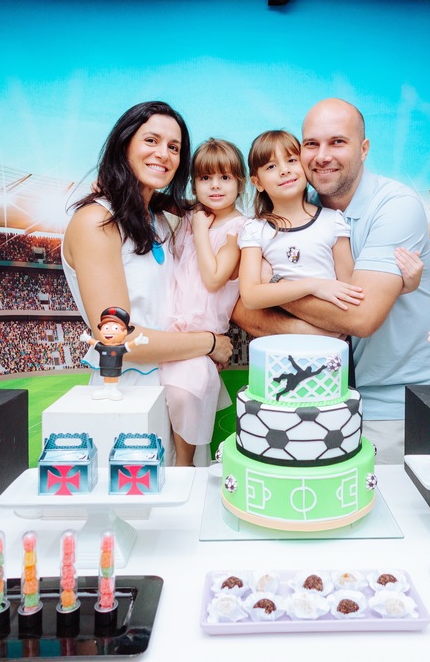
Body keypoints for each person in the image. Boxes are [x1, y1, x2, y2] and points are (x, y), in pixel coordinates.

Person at [232, 99, 430, 463]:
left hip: (387, 407)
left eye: (337, 142)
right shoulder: (289, 209)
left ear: (364, 149)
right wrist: (311, 331)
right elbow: (242, 310)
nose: (322, 156)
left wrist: (275, 282)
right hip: (312, 397)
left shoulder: (396, 205)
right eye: (311, 144)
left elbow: (360, 316)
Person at [62, 102, 234, 464]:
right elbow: (120, 338)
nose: (163, 154)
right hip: (128, 400)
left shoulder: (157, 219)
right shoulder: (96, 221)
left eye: (174, 147)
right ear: (124, 143)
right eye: (151, 140)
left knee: (186, 510)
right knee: (136, 516)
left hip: (178, 388)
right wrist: (209, 343)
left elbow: (210, 206)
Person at [158, 139, 247, 466]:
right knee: (163, 405)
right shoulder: (193, 213)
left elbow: (213, 278)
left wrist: (197, 228)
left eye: (225, 178)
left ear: (241, 183)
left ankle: (185, 465)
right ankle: (177, 465)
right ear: (193, 183)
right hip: (170, 325)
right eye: (205, 178)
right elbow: (158, 198)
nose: (215, 186)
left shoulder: (239, 228)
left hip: (201, 333)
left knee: (186, 394)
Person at [238, 130, 363, 312]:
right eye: (271, 167)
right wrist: (312, 285)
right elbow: (250, 297)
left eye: (291, 160)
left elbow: (350, 288)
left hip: (331, 335)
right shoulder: (255, 230)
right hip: (276, 336)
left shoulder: (332, 221)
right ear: (258, 183)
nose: (284, 170)